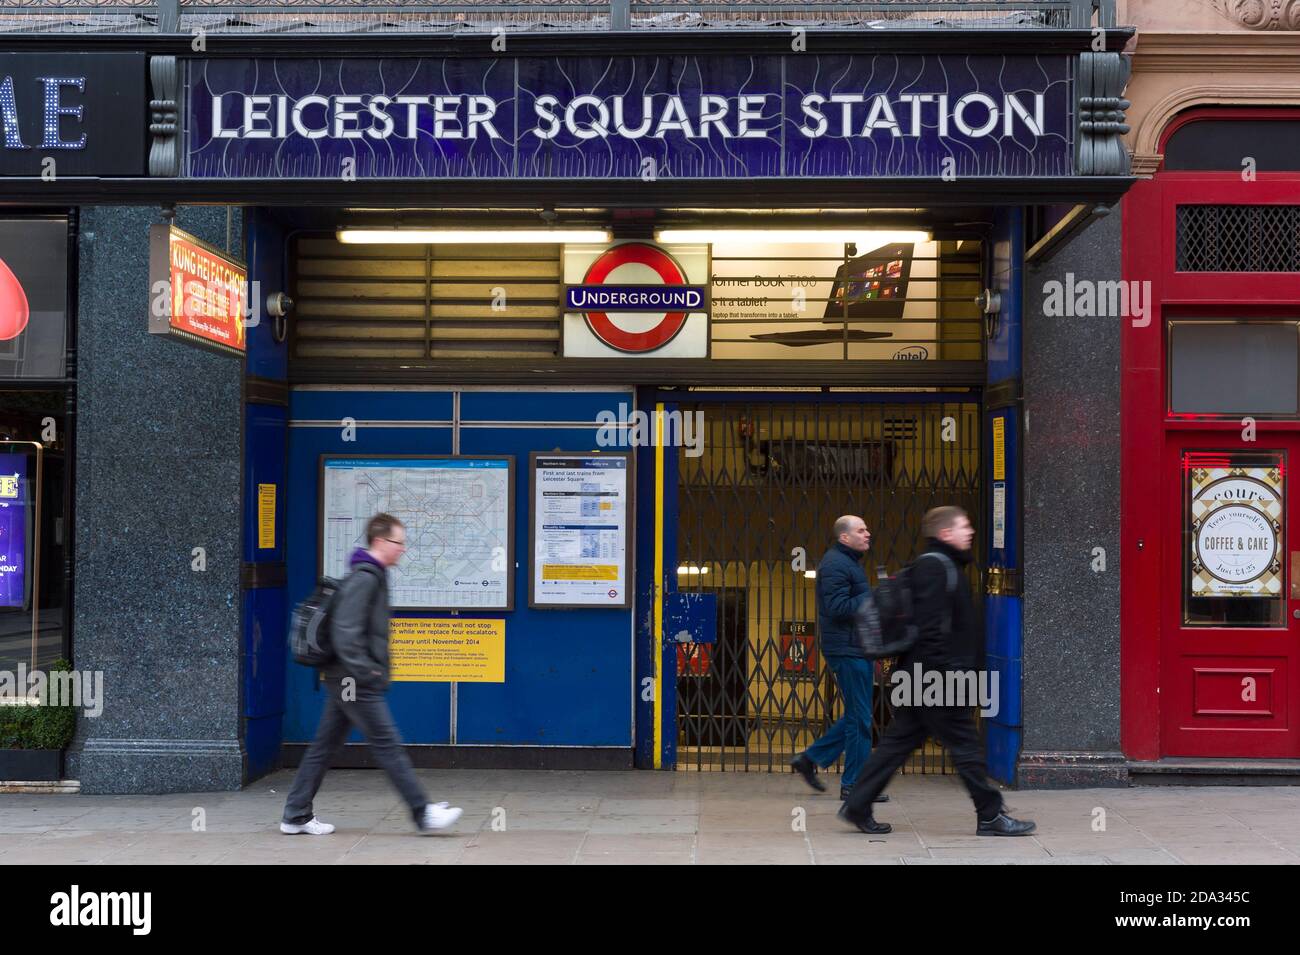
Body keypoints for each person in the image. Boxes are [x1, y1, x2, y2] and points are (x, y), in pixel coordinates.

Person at [839, 506, 1035, 836]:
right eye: (964, 526)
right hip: (937, 679)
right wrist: (948, 677)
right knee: (965, 746)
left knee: (898, 744)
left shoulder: (942, 565)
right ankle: (990, 815)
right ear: (946, 533)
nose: (970, 531)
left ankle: (858, 804)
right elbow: (930, 630)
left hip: (927, 677)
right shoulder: (934, 567)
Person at [282, 513, 463, 836]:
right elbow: (346, 632)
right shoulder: (365, 578)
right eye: (399, 542)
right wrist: (368, 671)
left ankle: (295, 814)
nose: (403, 549)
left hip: (344, 677)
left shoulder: (370, 575)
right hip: (354, 680)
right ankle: (423, 813)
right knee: (387, 744)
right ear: (380, 542)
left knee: (324, 746)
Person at [790, 515, 888, 804]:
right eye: (861, 530)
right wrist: (875, 595)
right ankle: (854, 785)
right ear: (844, 537)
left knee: (857, 715)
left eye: (867, 528)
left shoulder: (847, 562)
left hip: (854, 647)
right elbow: (836, 607)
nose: (868, 533)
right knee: (860, 719)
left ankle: (810, 759)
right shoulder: (835, 564)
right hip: (846, 649)